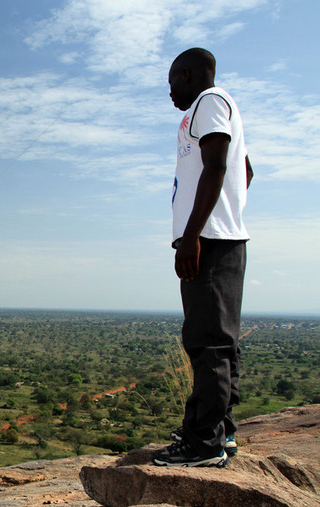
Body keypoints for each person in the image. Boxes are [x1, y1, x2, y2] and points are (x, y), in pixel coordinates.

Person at [152, 48, 253, 467]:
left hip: (208, 240)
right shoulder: (221, 106)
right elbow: (244, 171)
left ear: (187, 74)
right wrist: (230, 211)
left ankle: (202, 444)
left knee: (206, 342)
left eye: (172, 80)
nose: (169, 90)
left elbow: (218, 166)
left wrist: (193, 235)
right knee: (220, 341)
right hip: (220, 236)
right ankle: (221, 431)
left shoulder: (208, 103)